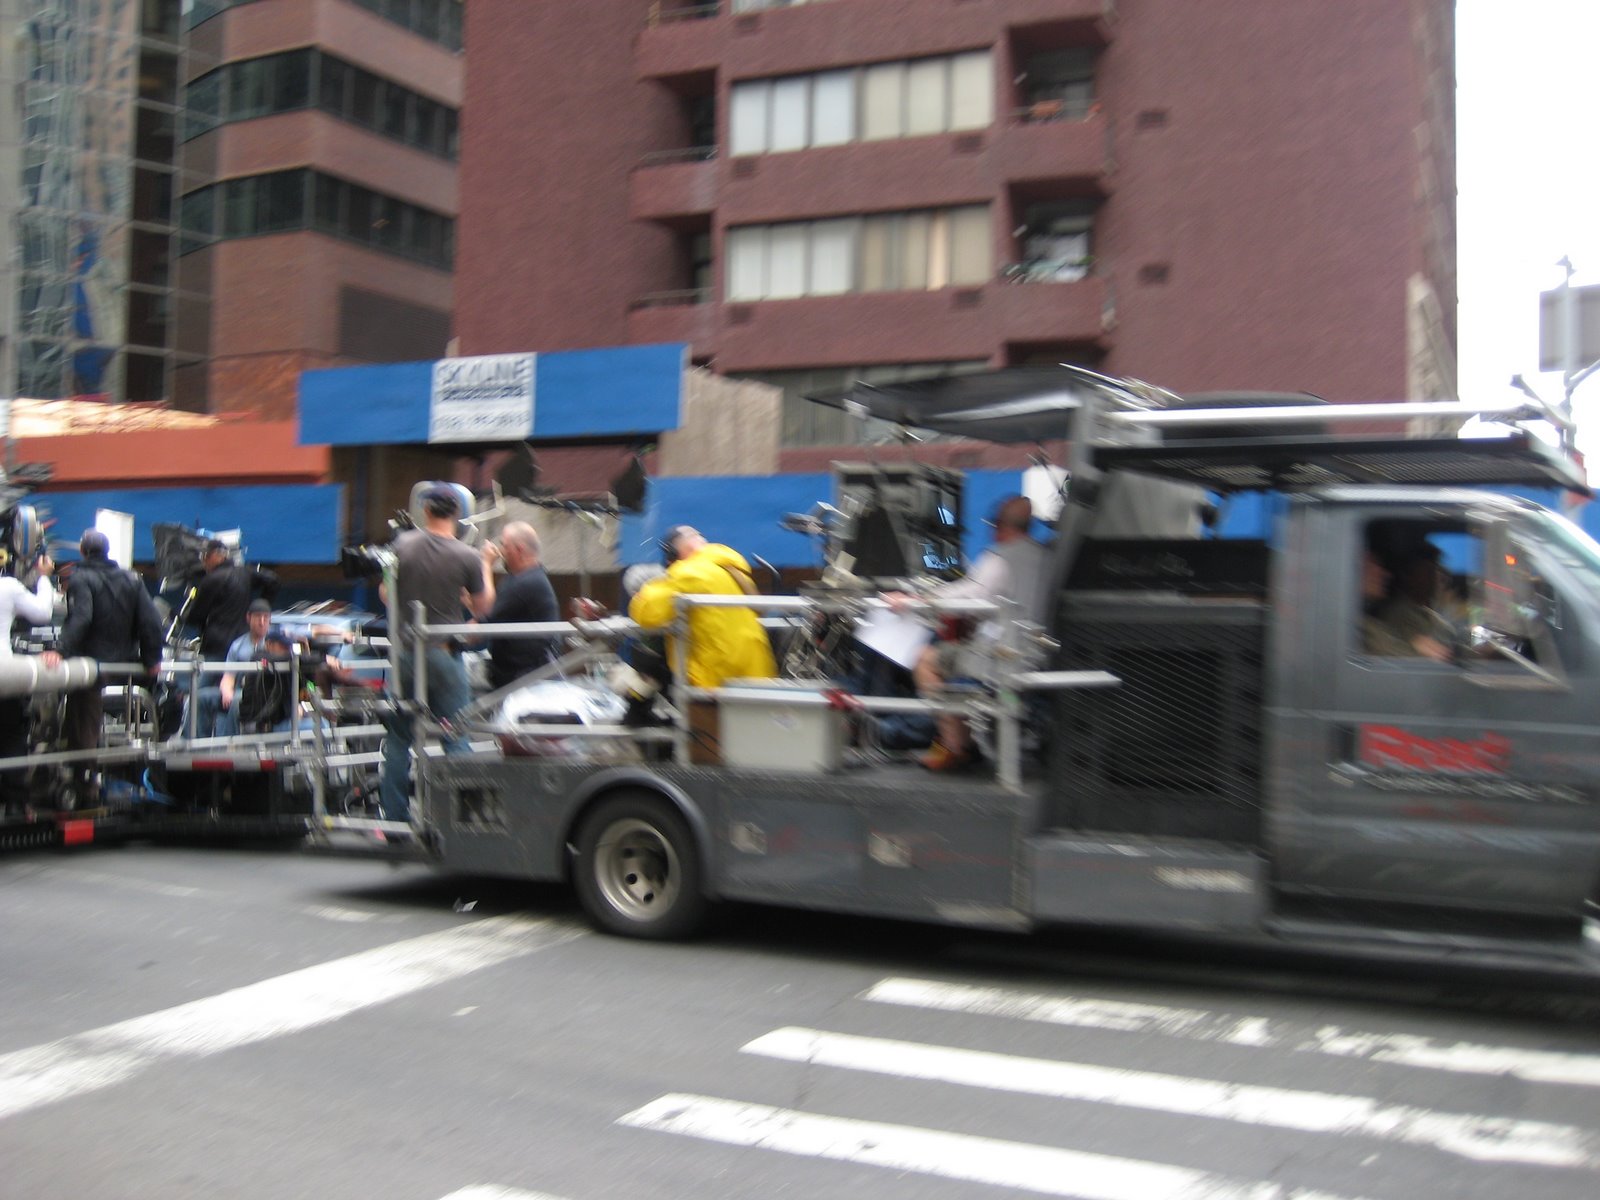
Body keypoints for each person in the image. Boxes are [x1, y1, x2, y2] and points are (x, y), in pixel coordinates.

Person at [887, 495, 1049, 771]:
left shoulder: (1000, 557)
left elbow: (970, 595)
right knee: (957, 651)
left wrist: (917, 600)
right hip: (1039, 654)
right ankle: (966, 742)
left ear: (997, 526)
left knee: (926, 658)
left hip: (1003, 657)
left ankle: (956, 747)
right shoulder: (1046, 556)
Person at [379, 485, 494, 822]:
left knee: (398, 739)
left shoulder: (401, 546)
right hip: (444, 656)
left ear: (426, 511)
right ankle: (464, 820)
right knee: (455, 736)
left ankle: (395, 818)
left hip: (405, 657)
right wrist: (487, 564)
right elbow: (483, 606)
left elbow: (385, 593)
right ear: (457, 515)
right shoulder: (466, 555)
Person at [50, 530, 164, 804]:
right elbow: (151, 621)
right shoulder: (131, 579)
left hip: (91, 666)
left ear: (82, 551)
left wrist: (59, 650)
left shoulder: (81, 578)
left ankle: (83, 782)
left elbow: (82, 618)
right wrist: (152, 659)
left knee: (81, 719)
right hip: (125, 664)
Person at [628, 525, 776, 688]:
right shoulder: (729, 570)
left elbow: (647, 613)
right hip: (757, 672)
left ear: (675, 554)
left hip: (717, 679)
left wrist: (642, 593)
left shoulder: (689, 572)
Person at [0, 552, 59, 811]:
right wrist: (43, 577)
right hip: (5, 675)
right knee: (11, 734)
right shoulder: (8, 587)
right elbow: (42, 612)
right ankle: (14, 802)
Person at [481, 521, 560, 691]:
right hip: (516, 675)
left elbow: (487, 614)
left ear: (519, 550)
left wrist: (486, 565)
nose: (501, 551)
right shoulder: (519, 578)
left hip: (526, 680)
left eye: (504, 545)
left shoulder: (528, 583)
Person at [188, 539, 279, 664]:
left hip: (217, 646)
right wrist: (260, 607)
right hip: (242, 641)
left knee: (209, 675)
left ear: (218, 556)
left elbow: (196, 616)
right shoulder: (245, 572)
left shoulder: (210, 580)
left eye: (206, 556)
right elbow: (273, 580)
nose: (204, 561)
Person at [1360, 547, 1451, 662]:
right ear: (1409, 575)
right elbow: (1392, 658)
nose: (1438, 577)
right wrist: (1418, 649)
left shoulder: (1429, 614)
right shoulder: (1396, 614)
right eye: (1429, 572)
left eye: (1436, 571)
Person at [213, 598, 275, 736]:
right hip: (240, 690)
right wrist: (226, 691)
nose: (262, 622)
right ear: (248, 618)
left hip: (265, 692)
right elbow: (228, 676)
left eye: (266, 618)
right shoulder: (238, 645)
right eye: (258, 617)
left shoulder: (275, 644)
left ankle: (229, 742)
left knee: (237, 702)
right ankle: (198, 742)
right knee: (202, 698)